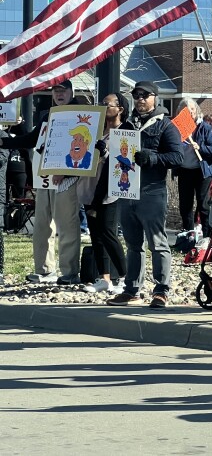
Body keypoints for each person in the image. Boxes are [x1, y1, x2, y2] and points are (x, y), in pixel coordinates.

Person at [107, 81, 183, 309]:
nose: (140, 99)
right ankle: (132, 290)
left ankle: (161, 290)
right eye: (136, 95)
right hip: (127, 189)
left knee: (157, 243)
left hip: (152, 190)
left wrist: (153, 158)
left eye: (145, 95)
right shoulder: (128, 124)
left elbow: (177, 157)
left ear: (155, 98)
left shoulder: (166, 125)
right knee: (133, 244)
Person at [1, 80, 80, 284]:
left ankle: (69, 272)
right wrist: (4, 141)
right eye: (55, 90)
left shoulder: (79, 114)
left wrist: (66, 171)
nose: (59, 94)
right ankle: (44, 270)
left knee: (67, 226)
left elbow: (83, 146)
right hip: (44, 177)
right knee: (42, 226)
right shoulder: (47, 115)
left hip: (67, 179)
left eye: (63, 90)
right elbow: (30, 139)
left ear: (72, 92)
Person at [80, 92, 128, 293]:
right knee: (96, 235)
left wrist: (107, 153)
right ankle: (104, 278)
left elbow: (125, 162)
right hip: (90, 188)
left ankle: (125, 278)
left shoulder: (125, 131)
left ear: (120, 109)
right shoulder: (96, 129)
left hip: (110, 191)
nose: (103, 106)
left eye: (107, 104)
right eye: (102, 103)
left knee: (108, 233)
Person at [173, 98, 212, 241]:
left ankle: (206, 238)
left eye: (192, 109)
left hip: (202, 172)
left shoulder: (204, 128)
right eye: (186, 110)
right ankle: (188, 236)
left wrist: (201, 148)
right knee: (185, 206)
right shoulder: (177, 129)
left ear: (196, 110)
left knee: (203, 205)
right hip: (184, 170)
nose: (190, 112)